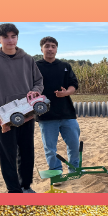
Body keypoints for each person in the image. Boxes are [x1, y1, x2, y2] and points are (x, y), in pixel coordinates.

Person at [0, 23, 44, 193]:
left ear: (17, 38)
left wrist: (35, 92)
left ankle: (26, 186)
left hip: (27, 113)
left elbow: (39, 82)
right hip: (5, 117)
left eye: (13, 36)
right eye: (6, 37)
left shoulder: (28, 59)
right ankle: (13, 190)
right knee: (8, 155)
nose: (10, 40)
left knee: (27, 152)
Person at [35, 36, 81, 173]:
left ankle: (74, 169)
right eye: (47, 46)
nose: (50, 49)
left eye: (53, 46)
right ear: (41, 48)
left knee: (74, 144)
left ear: (56, 49)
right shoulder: (35, 67)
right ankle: (55, 172)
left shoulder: (65, 66)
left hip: (67, 113)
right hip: (46, 115)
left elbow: (74, 85)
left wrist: (67, 92)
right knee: (50, 148)